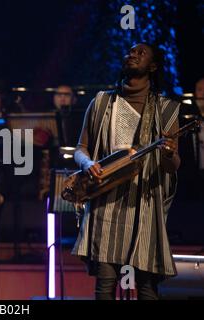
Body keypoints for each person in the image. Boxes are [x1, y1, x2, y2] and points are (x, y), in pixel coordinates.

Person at [72, 43, 181, 300]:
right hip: (105, 205)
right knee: (105, 285)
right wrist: (88, 164)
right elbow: (80, 148)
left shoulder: (166, 109)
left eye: (140, 53)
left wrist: (168, 153)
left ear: (153, 66)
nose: (132, 54)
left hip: (144, 207)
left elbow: (172, 166)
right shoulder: (101, 102)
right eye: (130, 51)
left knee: (146, 288)